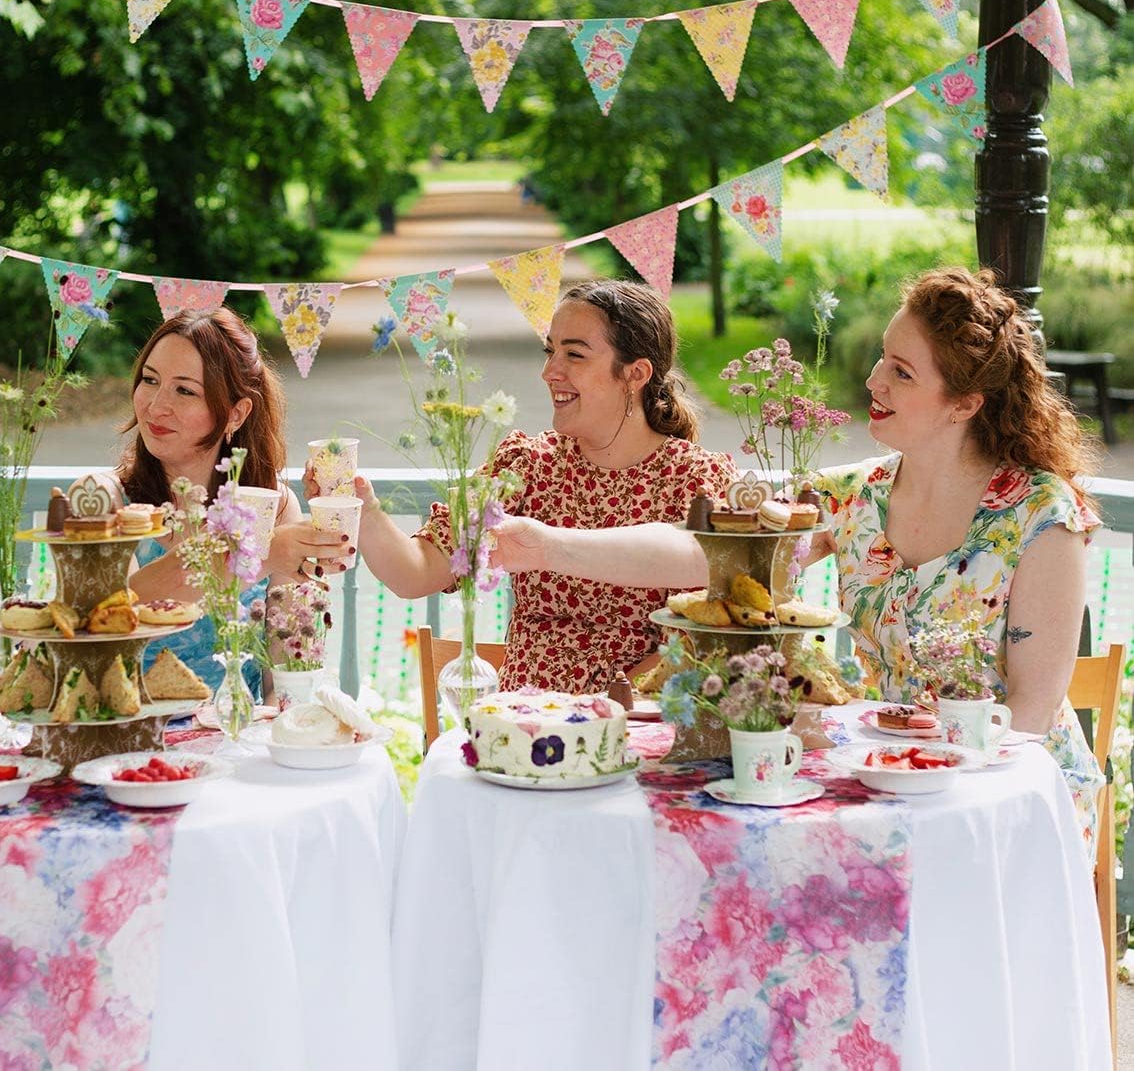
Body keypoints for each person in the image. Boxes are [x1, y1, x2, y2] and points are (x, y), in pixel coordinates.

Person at [489, 268, 1105, 852]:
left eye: (902, 372)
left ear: (964, 404)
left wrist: (939, 792)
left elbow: (1028, 714)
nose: (873, 381)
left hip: (1007, 796)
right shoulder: (852, 496)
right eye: (880, 359)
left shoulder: (1042, 514)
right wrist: (549, 545)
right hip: (884, 780)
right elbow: (709, 557)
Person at [314, 280, 737, 694]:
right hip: (519, 725)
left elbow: (700, 638)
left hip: (637, 723)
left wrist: (596, 710)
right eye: (550, 351)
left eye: (574, 354)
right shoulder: (526, 466)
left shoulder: (694, 482)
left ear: (635, 373)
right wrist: (363, 506)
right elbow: (414, 573)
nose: (550, 372)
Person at [116, 308, 350, 692]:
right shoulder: (106, 500)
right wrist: (257, 553)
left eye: (185, 390)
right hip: (132, 740)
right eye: (149, 379)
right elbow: (113, 614)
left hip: (241, 739)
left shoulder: (276, 506)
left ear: (236, 413)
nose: (156, 406)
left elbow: (289, 673)